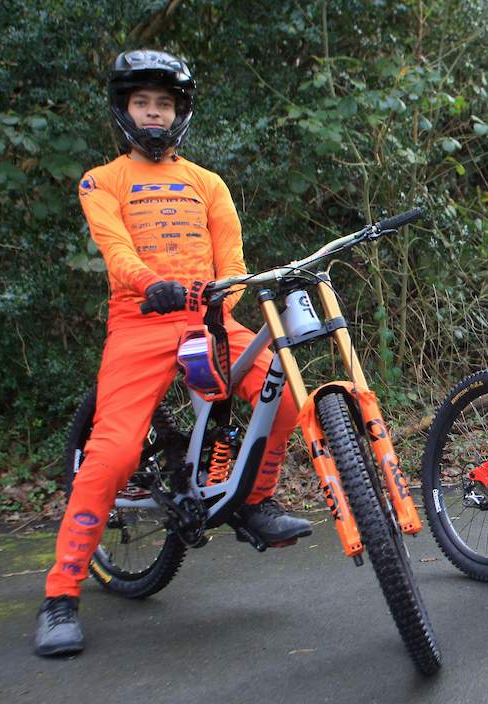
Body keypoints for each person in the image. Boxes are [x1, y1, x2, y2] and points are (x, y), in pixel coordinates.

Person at [34, 49, 313, 656]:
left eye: (163, 105)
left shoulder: (207, 183)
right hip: (139, 322)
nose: (153, 115)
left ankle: (251, 502)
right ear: (124, 109)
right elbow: (115, 250)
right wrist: (147, 284)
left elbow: (233, 261)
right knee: (111, 455)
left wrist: (224, 297)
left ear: (179, 111)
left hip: (209, 315)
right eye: (142, 104)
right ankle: (60, 596)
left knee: (286, 395)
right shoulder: (102, 180)